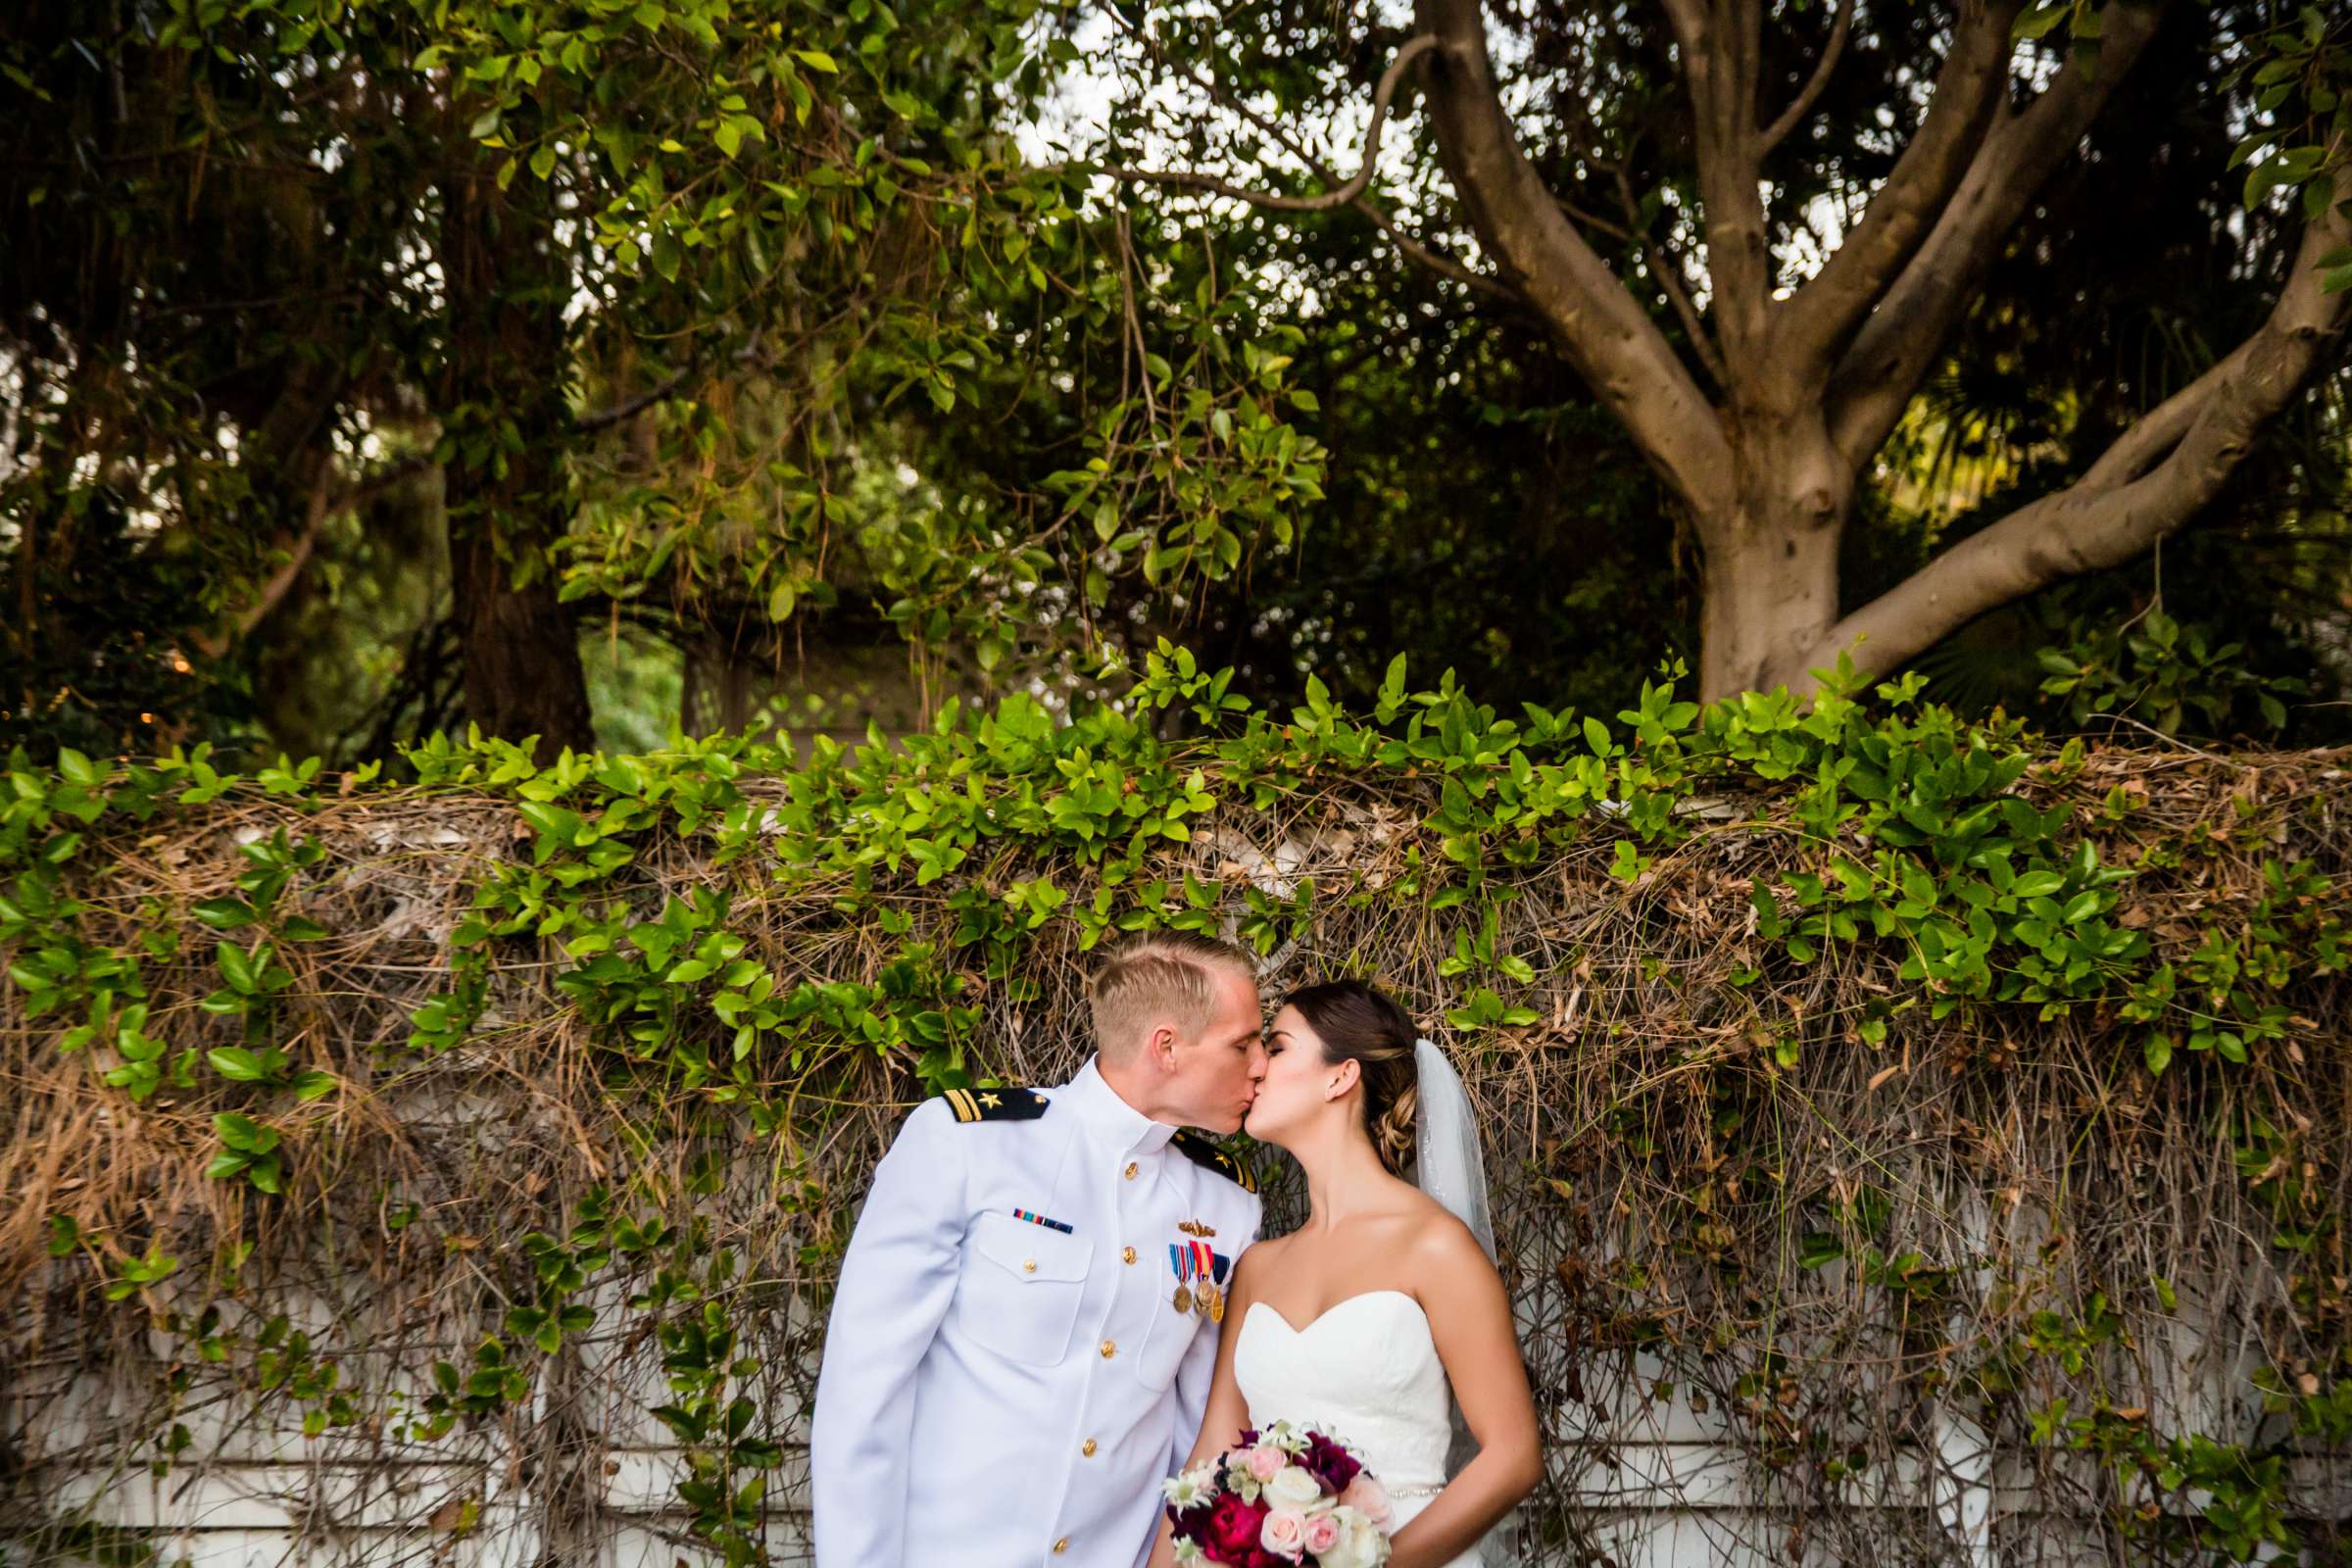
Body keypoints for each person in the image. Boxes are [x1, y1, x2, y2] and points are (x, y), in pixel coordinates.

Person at [810, 931, 1271, 1568]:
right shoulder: (969, 1145)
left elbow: (1195, 1428)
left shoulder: (1226, 1205)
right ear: (1166, 1046)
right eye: (1242, 1044)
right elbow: (865, 1390)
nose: (1260, 1066)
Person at [1151, 980, 1541, 1568]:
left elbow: (1513, 1455)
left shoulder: (1434, 1247)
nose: (1254, 1068)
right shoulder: (1259, 1265)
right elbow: (1212, 1457)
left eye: (1276, 1047)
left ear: (1341, 1077)